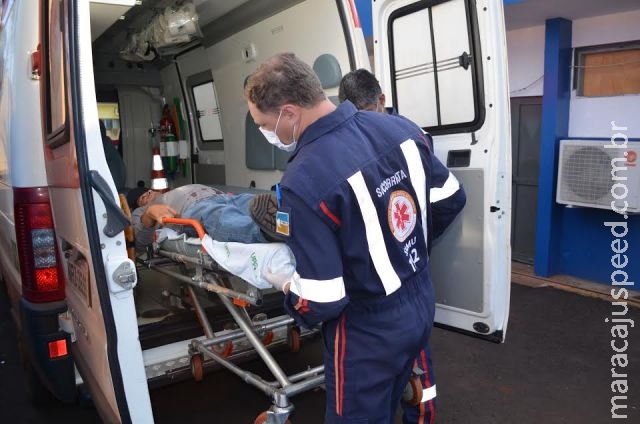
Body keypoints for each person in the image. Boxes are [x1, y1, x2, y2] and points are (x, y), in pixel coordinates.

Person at [245, 53, 465, 423]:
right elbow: (451, 197)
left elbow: (324, 301)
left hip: (367, 329)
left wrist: (287, 288)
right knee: (413, 391)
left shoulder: (303, 182)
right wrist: (406, 248)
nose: (267, 133)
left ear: (289, 113)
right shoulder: (401, 130)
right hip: (420, 298)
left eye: (264, 124)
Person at [340, 68, 437, 424]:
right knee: (415, 358)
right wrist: (417, 238)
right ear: (380, 98)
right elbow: (448, 197)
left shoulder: (356, 144)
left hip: (392, 278)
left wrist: (414, 237)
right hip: (411, 270)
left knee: (410, 363)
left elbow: (448, 195)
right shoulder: (409, 134)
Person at [126, 184, 281, 249]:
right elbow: (140, 241)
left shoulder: (172, 191)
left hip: (225, 197)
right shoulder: (143, 211)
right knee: (217, 217)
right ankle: (265, 233)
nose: (149, 194)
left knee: (253, 201)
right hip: (193, 208)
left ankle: (293, 220)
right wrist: (149, 213)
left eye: (149, 191)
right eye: (143, 198)